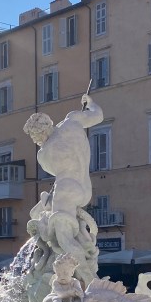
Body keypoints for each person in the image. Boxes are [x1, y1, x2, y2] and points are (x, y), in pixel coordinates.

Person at [23, 92, 103, 257]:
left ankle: (77, 267)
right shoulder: (72, 120)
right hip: (83, 189)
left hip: (66, 189)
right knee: (36, 214)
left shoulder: (44, 153)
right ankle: (55, 258)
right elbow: (98, 115)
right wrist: (90, 103)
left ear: (40, 132)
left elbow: (52, 170)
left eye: (34, 136)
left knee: (63, 240)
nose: (35, 140)